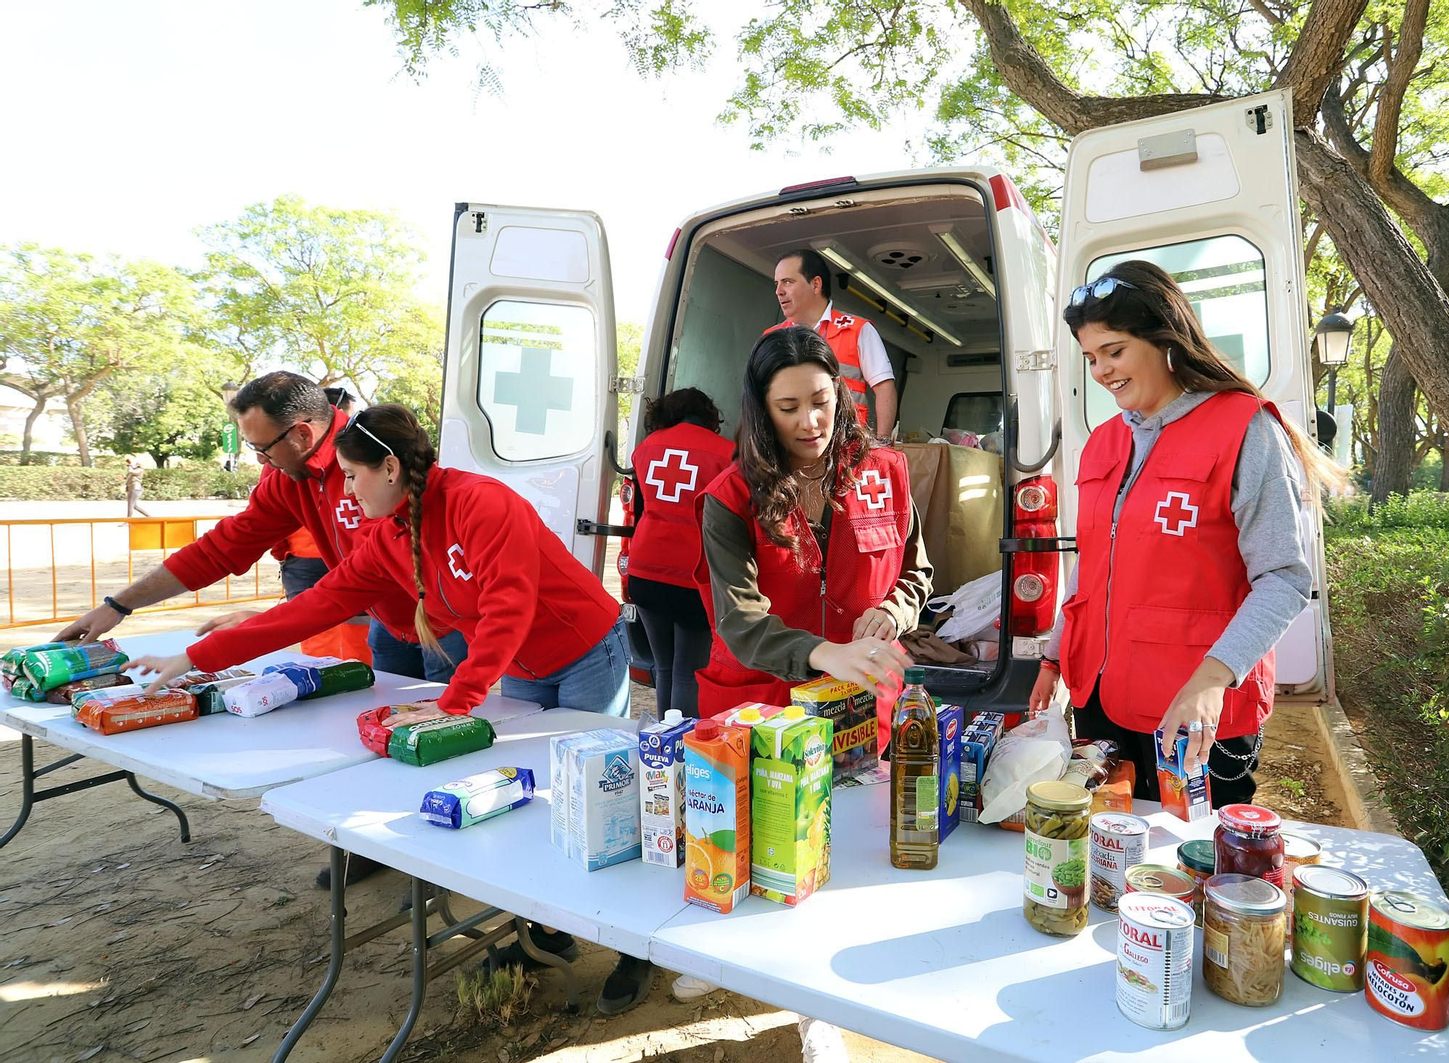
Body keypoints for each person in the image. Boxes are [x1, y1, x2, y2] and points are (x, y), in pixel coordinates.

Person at [127, 404, 657, 1015]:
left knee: (602, 792)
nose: (345, 491)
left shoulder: (482, 503)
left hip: (585, 650)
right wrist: (198, 655)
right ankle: (549, 928)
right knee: (535, 796)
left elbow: (509, 606)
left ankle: (632, 946)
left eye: (352, 475)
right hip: (519, 667)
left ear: (389, 466)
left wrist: (457, 701)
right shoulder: (388, 536)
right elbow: (310, 608)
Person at [55, 371, 462, 887]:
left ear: (302, 434)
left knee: (448, 736)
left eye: (261, 448)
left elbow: (398, 571)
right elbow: (222, 548)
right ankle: (381, 843)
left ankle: (443, 871)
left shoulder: (374, 461)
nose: (258, 461)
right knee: (382, 737)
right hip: (385, 624)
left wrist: (266, 618)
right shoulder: (284, 480)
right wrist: (119, 605)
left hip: (443, 624)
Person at [686, 326, 929, 1054]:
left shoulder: (886, 468)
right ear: (762, 410)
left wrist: (894, 611)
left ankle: (822, 1006)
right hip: (759, 703)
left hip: (864, 705)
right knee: (751, 848)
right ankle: (723, 952)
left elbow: (918, 570)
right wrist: (825, 651)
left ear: (842, 394)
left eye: (821, 401)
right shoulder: (729, 496)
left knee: (844, 857)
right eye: (788, 407)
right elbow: (739, 618)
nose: (810, 422)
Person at [1028, 261, 1343, 806]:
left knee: (1190, 861)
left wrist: (1211, 679)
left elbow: (1284, 579)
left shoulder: (1244, 428)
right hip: (1100, 696)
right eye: (1091, 357)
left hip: (1193, 705)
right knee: (1108, 851)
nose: (1102, 370)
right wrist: (1054, 660)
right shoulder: (1103, 442)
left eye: (1116, 350)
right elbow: (1092, 565)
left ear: (1165, 339)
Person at [626, 387, 735, 719]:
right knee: (689, 670)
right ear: (709, 415)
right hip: (692, 574)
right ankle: (683, 752)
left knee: (664, 666)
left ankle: (663, 742)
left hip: (644, 570)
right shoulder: (726, 452)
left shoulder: (647, 447)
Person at [274, 386, 373, 664]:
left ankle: (332, 679)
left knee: (322, 634)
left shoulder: (282, 455)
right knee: (347, 633)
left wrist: (283, 553)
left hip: (319, 560)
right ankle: (353, 677)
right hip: (324, 559)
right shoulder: (282, 461)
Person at [769, 249, 898, 436]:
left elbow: (885, 389)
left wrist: (883, 445)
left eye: (788, 282)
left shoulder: (857, 330)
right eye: (777, 284)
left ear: (815, 284)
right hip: (789, 449)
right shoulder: (772, 337)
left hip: (847, 449)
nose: (779, 291)